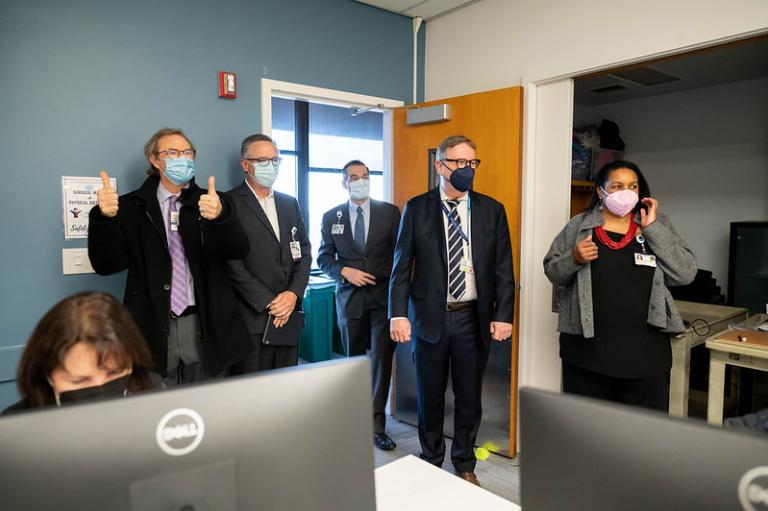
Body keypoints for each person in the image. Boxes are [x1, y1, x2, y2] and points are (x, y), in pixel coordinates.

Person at [389, 135, 515, 486]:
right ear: (440, 165)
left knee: (469, 396)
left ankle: (464, 463)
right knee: (429, 395)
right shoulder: (418, 208)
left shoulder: (491, 209)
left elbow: (504, 268)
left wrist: (503, 314)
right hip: (430, 317)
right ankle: (431, 459)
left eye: (472, 162)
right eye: (459, 162)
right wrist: (398, 313)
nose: (466, 169)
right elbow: (401, 266)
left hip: (473, 317)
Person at [88, 128, 252, 386]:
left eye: (187, 152)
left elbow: (239, 250)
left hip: (204, 323)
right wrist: (104, 219)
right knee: (157, 403)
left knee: (207, 402)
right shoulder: (131, 207)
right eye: (172, 153)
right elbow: (106, 265)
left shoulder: (211, 202)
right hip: (153, 324)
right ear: (154, 160)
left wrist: (221, 217)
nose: (182, 158)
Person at [543, 160, 696, 411]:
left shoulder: (657, 224)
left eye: (632, 186)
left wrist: (653, 229)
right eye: (617, 186)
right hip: (587, 354)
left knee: (641, 430)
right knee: (587, 428)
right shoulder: (579, 226)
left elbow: (685, 274)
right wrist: (573, 258)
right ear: (600, 191)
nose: (626, 193)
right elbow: (552, 271)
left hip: (645, 354)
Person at [317, 160, 401, 451]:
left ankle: (377, 426)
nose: (360, 181)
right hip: (349, 299)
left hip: (382, 300)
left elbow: (400, 255)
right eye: (354, 177)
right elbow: (323, 258)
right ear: (344, 183)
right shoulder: (332, 216)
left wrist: (379, 275)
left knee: (380, 362)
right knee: (353, 363)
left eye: (365, 176)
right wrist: (344, 271)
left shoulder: (389, 213)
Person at [226, 134, 311, 372]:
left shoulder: (289, 203)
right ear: (245, 165)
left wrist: (293, 294)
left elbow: (304, 251)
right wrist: (270, 302)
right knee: (252, 389)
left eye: (275, 160)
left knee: (285, 385)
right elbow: (230, 262)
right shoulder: (229, 202)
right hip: (252, 318)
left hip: (289, 314)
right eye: (263, 160)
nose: (271, 166)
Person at [3, 292, 156, 415]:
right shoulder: (15, 429)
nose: (100, 387)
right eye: (79, 381)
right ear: (47, 377)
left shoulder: (156, 396)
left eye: (114, 373)